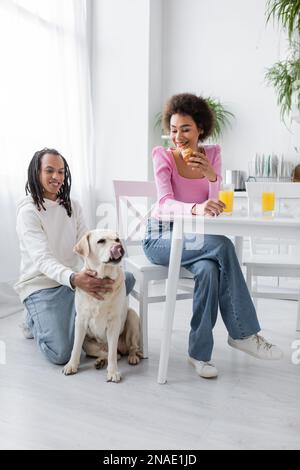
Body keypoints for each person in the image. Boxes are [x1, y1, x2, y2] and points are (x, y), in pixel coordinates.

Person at [142, 93, 283, 379]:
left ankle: (199, 354)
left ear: (200, 129)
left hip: (194, 239)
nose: (178, 136)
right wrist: (196, 207)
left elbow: (215, 205)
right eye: (173, 129)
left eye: (185, 129)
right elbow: (164, 203)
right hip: (161, 237)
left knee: (208, 270)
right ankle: (243, 333)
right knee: (222, 245)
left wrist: (211, 177)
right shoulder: (163, 156)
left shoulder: (214, 155)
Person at [15, 148, 135, 365]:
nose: (56, 177)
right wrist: (75, 279)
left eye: (61, 172)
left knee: (124, 279)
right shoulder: (28, 213)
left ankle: (83, 321)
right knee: (61, 354)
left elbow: (87, 246)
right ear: (36, 173)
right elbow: (42, 260)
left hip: (73, 280)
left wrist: (92, 273)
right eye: (49, 171)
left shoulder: (73, 205)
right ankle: (33, 320)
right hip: (42, 285)